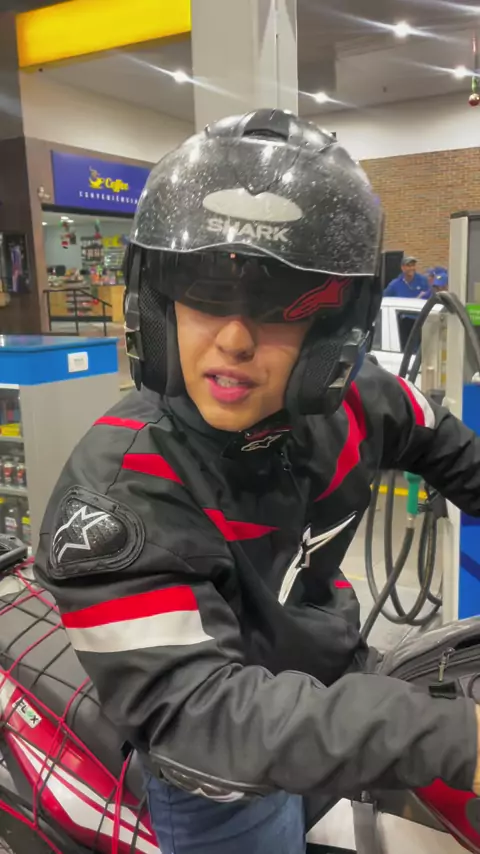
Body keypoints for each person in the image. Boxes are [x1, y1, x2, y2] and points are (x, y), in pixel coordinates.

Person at [34, 110, 480, 854]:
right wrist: (458, 736)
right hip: (221, 771)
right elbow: (201, 715)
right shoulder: (116, 497)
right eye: (205, 292)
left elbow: (449, 447)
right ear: (158, 303)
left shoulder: (360, 401)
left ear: (333, 329)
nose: (235, 340)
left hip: (329, 684)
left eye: (283, 305)